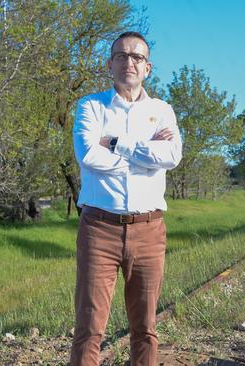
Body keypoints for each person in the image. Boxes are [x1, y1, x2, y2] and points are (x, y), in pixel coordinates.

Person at [70, 31, 182, 366]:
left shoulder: (163, 111)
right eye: (121, 55)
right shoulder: (91, 106)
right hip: (99, 228)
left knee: (145, 327)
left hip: (149, 229)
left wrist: (117, 144)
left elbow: (173, 154)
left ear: (148, 67)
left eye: (136, 57)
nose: (128, 62)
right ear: (109, 64)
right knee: (89, 328)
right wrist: (147, 153)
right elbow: (88, 156)